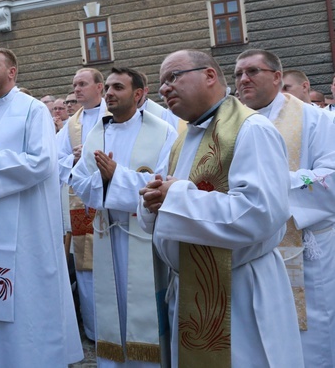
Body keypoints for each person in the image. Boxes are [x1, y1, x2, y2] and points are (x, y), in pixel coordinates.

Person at [139, 49, 303, 366]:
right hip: (191, 290)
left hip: (240, 291)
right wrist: (153, 201)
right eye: (161, 83)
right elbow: (169, 205)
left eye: (173, 77)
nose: (164, 89)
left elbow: (260, 213)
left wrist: (174, 197)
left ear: (210, 75)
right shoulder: (182, 140)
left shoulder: (251, 129)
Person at [0, 48, 82, 367]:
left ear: (12, 72)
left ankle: (28, 358)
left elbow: (43, 163)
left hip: (24, 227)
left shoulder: (32, 110)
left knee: (24, 295)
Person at [70, 68, 176, 367]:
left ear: (139, 94)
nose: (110, 94)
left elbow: (164, 184)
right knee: (111, 310)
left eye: (118, 87)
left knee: (144, 315)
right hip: (107, 233)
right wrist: (104, 182)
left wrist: (116, 177)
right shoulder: (97, 133)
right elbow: (78, 181)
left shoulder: (163, 131)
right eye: (109, 88)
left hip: (143, 237)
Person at [235, 49, 335, 366]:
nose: (243, 79)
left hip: (306, 247)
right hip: (251, 248)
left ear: (277, 77)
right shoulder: (231, 123)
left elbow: (331, 177)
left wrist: (271, 187)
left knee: (312, 338)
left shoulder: (316, 119)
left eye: (252, 71)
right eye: (238, 73)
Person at [56, 67, 107, 341]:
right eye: (75, 84)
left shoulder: (116, 115)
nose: (77, 89)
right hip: (81, 202)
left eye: (83, 84)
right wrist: (73, 159)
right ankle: (94, 329)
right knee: (86, 266)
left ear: (100, 87)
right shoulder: (70, 125)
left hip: (111, 199)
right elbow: (54, 160)